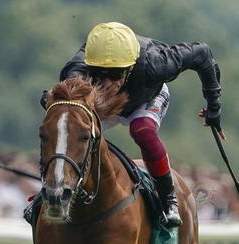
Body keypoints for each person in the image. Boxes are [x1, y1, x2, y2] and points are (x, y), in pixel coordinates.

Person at [52, 22, 224, 227]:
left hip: (146, 97)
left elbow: (202, 54)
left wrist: (214, 108)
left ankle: (168, 199)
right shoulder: (77, 72)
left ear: (131, 67)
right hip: (99, 102)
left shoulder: (157, 63)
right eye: (100, 72)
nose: (108, 82)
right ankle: (48, 191)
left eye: (115, 74)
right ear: (90, 66)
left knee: (142, 130)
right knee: (69, 128)